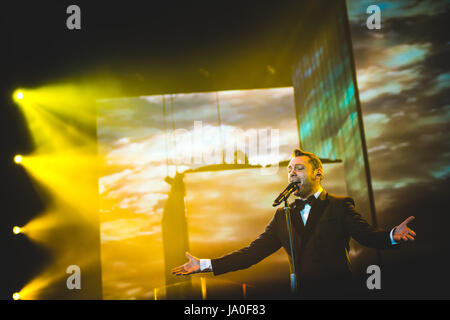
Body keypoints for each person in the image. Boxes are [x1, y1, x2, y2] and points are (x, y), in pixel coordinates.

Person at [172, 148, 416, 298]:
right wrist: (205, 265)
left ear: (318, 173)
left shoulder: (339, 205)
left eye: (298, 168)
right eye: (289, 169)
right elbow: (252, 253)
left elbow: (367, 235)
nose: (291, 173)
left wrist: (393, 235)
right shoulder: (283, 215)